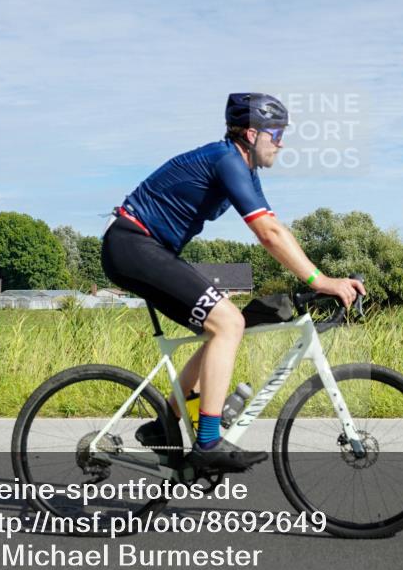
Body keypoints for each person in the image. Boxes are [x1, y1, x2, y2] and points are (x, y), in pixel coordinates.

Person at [101, 93, 366, 471]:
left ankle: (165, 425)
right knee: (228, 321)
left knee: (218, 325)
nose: (281, 141)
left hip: (148, 247)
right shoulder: (227, 159)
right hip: (132, 244)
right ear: (251, 132)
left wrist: (319, 276)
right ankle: (208, 442)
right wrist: (321, 280)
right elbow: (267, 235)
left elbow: (275, 225)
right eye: (275, 133)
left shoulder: (243, 168)